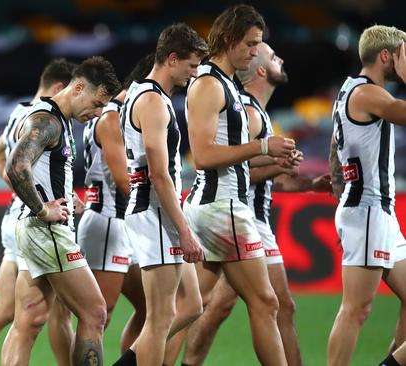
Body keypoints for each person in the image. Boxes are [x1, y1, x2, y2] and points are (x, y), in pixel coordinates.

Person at [181, 41, 331, 366]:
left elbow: (261, 175)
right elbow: (235, 172)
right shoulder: (246, 112)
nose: (281, 58)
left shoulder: (257, 112)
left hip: (244, 216)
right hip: (237, 215)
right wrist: (274, 161)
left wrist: (308, 183)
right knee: (257, 305)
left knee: (206, 305)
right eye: (272, 56)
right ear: (261, 69)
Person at [184, 5, 296, 365]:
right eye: (250, 44)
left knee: (187, 308)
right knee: (267, 303)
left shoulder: (225, 85)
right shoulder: (208, 84)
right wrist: (264, 147)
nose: (253, 52)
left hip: (218, 208)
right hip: (224, 208)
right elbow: (201, 155)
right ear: (230, 40)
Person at [1, 56, 121, 366]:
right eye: (96, 103)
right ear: (78, 87)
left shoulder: (54, 119)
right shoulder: (48, 120)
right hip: (46, 232)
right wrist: (43, 209)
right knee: (95, 313)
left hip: (31, 231)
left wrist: (63, 197)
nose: (96, 113)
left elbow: (32, 170)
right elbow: (16, 166)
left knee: (27, 320)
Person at [0, 58, 76, 365]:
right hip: (36, 221)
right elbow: (13, 163)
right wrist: (36, 197)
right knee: (58, 312)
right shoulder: (45, 117)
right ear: (60, 88)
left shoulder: (19, 112)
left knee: (6, 309)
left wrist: (20, 192)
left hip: (14, 218)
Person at [113, 23, 208, 366]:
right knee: (161, 318)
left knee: (190, 306)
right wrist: (184, 229)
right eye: (192, 65)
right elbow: (159, 173)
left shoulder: (142, 94)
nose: (194, 73)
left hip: (152, 209)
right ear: (172, 59)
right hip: (153, 211)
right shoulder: (152, 101)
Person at [327, 25, 406, 366]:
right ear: (387, 57)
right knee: (356, 309)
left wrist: (338, 188)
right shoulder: (367, 94)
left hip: (376, 210)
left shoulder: (351, 90)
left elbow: (334, 150)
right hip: (370, 209)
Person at [76, 53, 156, 353]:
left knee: (152, 310)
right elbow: (123, 181)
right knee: (99, 316)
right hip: (110, 223)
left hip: (121, 224)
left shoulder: (111, 112)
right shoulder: (112, 116)